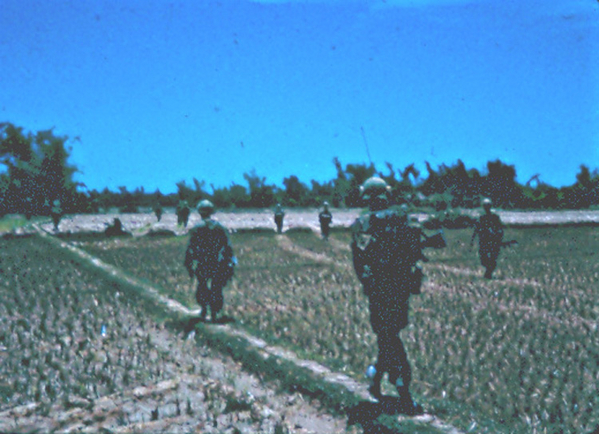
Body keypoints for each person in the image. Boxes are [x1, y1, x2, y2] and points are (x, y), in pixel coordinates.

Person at [351, 177, 444, 415]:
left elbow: (360, 263)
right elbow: (417, 249)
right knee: (390, 334)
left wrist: (368, 282)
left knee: (387, 335)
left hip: (379, 289)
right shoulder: (404, 217)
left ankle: (401, 387)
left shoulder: (362, 223)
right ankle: (378, 379)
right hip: (401, 288)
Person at [184, 200, 236, 322]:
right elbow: (227, 246)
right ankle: (214, 312)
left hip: (203, 262)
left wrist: (189, 263)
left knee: (202, 285)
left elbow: (191, 248)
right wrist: (230, 262)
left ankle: (204, 309)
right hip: (218, 262)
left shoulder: (197, 228)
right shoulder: (219, 227)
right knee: (216, 287)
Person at [470, 198, 504, 279]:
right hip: (485, 240)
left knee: (491, 257)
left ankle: (489, 272)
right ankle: (489, 270)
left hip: (491, 240)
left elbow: (499, 228)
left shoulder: (494, 217)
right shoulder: (482, 217)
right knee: (485, 258)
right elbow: (477, 229)